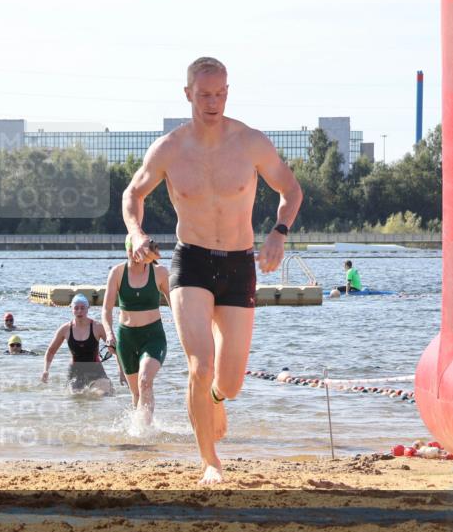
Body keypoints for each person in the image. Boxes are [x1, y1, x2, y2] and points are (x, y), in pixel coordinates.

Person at [122, 56, 303, 484]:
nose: (213, 102)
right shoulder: (169, 148)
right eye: (204, 94)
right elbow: (134, 193)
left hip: (240, 263)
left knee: (230, 381)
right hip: (192, 262)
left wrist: (278, 232)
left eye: (220, 93)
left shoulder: (250, 142)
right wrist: (135, 233)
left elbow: (290, 189)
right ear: (188, 94)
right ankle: (209, 461)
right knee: (199, 366)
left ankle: (217, 398)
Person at [102, 236, 171, 425]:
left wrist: (189, 331)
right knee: (136, 393)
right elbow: (106, 310)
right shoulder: (117, 273)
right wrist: (109, 334)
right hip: (127, 339)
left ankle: (145, 431)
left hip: (153, 337)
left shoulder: (160, 273)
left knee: (145, 381)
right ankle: (139, 432)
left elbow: (176, 303)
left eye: (139, 249)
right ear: (127, 250)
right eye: (131, 249)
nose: (135, 253)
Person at [41, 294, 113, 395]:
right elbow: (51, 351)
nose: (79, 311)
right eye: (76, 308)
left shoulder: (98, 327)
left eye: (82, 308)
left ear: (88, 308)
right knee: (76, 399)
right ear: (72, 309)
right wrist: (46, 370)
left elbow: (115, 349)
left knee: (106, 395)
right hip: (75, 371)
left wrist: (122, 370)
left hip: (95, 369)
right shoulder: (65, 329)